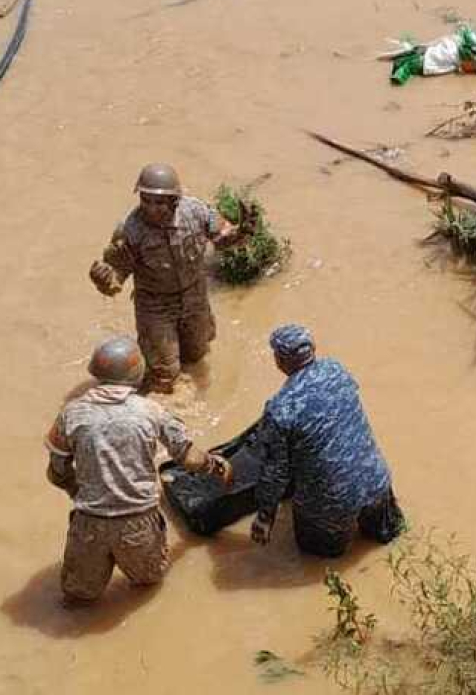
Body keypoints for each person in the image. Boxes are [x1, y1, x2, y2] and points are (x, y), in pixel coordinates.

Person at [44, 336, 232, 604]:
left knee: (77, 599)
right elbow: (188, 458)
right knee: (148, 584)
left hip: (89, 522)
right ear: (136, 373)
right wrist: (215, 465)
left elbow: (56, 472)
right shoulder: (151, 411)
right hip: (138, 521)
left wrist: (76, 490)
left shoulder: (71, 414)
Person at [88, 163, 256, 393]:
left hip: (194, 296)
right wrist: (104, 280)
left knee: (197, 355)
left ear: (174, 201)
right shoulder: (130, 230)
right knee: (164, 373)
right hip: (156, 305)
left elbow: (222, 239)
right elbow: (115, 280)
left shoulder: (196, 212)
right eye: (145, 200)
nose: (150, 208)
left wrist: (242, 232)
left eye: (158, 203)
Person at [251, 325, 405, 557]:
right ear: (313, 350)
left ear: (279, 361)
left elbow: (275, 475)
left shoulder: (280, 409)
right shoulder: (337, 370)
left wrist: (265, 516)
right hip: (376, 481)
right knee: (394, 540)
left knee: (319, 560)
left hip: (331, 505)